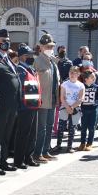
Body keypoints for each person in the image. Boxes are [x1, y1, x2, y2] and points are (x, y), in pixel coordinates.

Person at [0, 29, 21, 175]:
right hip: (1, 103)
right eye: (3, 41)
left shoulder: (7, 58)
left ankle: (3, 161)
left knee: (7, 134)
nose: (6, 43)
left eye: (7, 40)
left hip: (12, 104)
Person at [33, 33, 59, 162]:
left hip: (53, 99)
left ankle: (45, 150)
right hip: (42, 100)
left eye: (52, 46)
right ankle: (37, 154)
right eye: (47, 46)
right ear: (41, 47)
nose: (50, 48)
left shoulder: (53, 62)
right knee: (41, 128)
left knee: (49, 126)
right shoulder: (37, 61)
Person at [12, 45, 39, 169]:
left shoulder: (31, 69)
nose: (32, 57)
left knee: (32, 134)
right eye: (29, 55)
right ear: (23, 56)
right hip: (25, 107)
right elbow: (19, 90)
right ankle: (19, 160)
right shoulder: (20, 70)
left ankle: (29, 157)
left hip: (33, 106)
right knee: (23, 134)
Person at [57, 66, 84, 152]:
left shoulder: (81, 85)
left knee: (72, 128)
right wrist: (67, 107)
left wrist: (72, 107)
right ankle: (58, 145)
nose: (72, 74)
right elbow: (62, 98)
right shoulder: (64, 84)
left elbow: (81, 98)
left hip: (75, 108)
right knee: (61, 127)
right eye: (71, 72)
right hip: (65, 106)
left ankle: (69, 146)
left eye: (74, 73)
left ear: (78, 74)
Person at [77, 69, 98, 151]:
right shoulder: (81, 86)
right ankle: (82, 143)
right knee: (83, 127)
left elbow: (97, 99)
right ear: (86, 79)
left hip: (93, 110)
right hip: (84, 110)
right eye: (92, 77)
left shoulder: (96, 87)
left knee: (92, 127)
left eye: (94, 77)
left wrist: (95, 104)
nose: (94, 78)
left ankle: (90, 143)